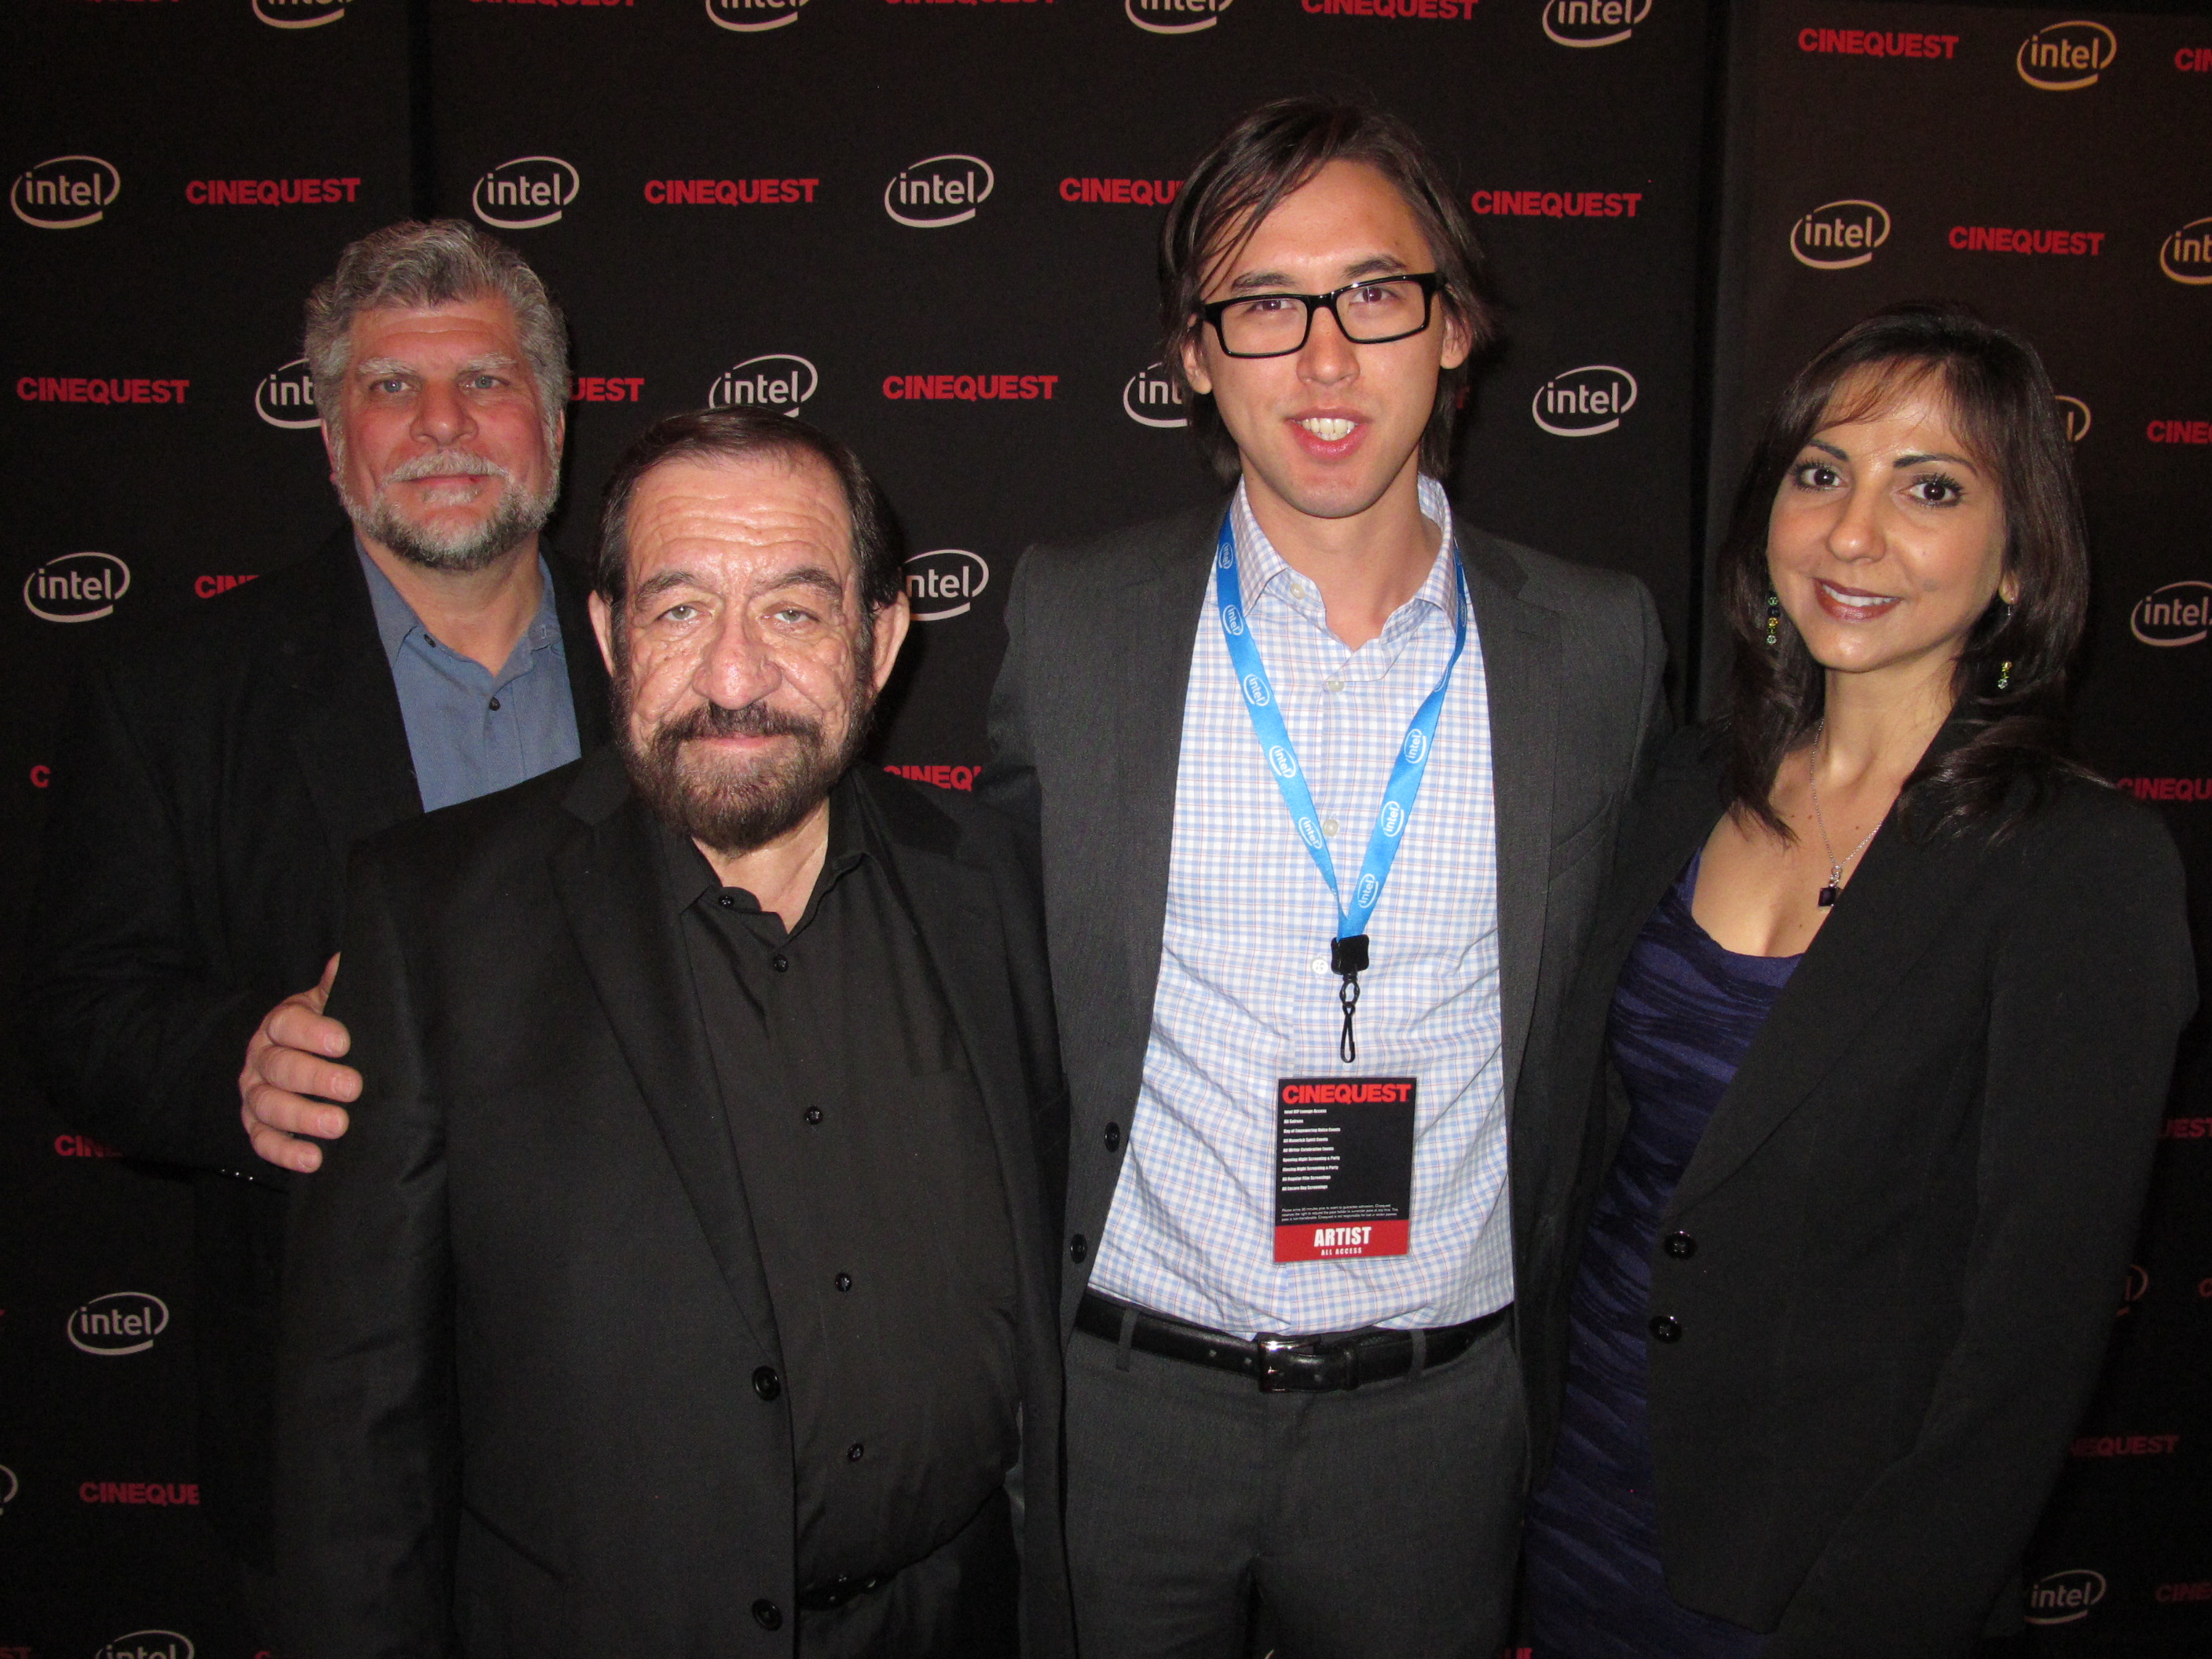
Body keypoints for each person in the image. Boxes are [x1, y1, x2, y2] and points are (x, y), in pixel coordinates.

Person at [982, 98, 1665, 1654]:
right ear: (1193, 356)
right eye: (1262, 307)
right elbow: (968, 949)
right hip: (1129, 1408)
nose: (1325, 359)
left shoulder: (1596, 646)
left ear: (1456, 327)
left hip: (1434, 1423)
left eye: (1373, 293)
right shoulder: (1081, 627)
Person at [274, 410, 1071, 1657]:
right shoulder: (432, 921)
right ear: (607, 633)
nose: (736, 678)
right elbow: (356, 1429)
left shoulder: (995, 887)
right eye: (681, 609)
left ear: (883, 640)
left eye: (796, 613)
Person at [1519, 304, 2196, 1657]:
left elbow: (2028, 1348)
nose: (1851, 532)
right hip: (1571, 1500)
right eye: (1822, 471)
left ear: (2018, 560)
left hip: (1824, 1577)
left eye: (1930, 487)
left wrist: (1872, 1614)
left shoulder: (2079, 868)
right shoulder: (1671, 789)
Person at [24, 219, 609, 1638]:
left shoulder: (667, 662)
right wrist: (237, 1059)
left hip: (637, 1414)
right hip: (344, 1429)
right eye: (390, 390)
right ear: (331, 438)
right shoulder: (175, 694)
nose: (443, 426)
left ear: (555, 411)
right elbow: (84, 1007)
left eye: (484, 380)